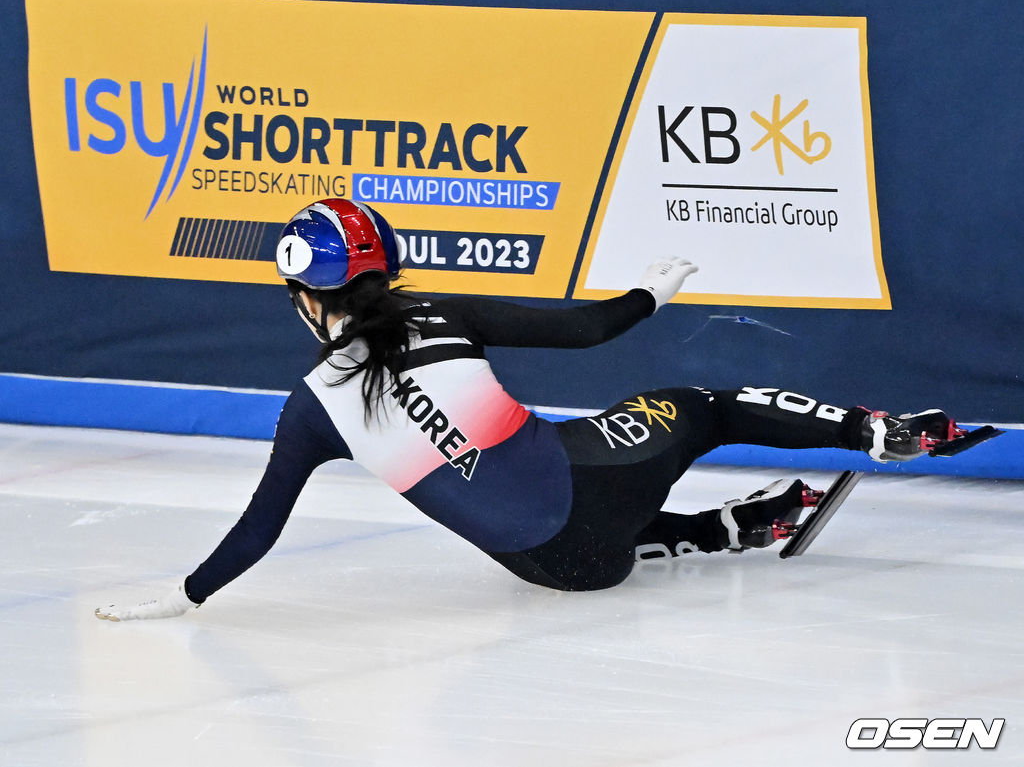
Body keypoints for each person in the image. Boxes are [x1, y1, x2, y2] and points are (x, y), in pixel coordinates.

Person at [95, 198, 961, 621]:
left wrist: (185, 593)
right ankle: (877, 433)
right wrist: (651, 295)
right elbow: (585, 332)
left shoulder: (309, 407)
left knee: (561, 496)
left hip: (550, 571)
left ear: (303, 298)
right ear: (383, 273)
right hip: (594, 501)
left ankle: (715, 532)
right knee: (697, 406)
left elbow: (258, 528)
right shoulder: (441, 313)